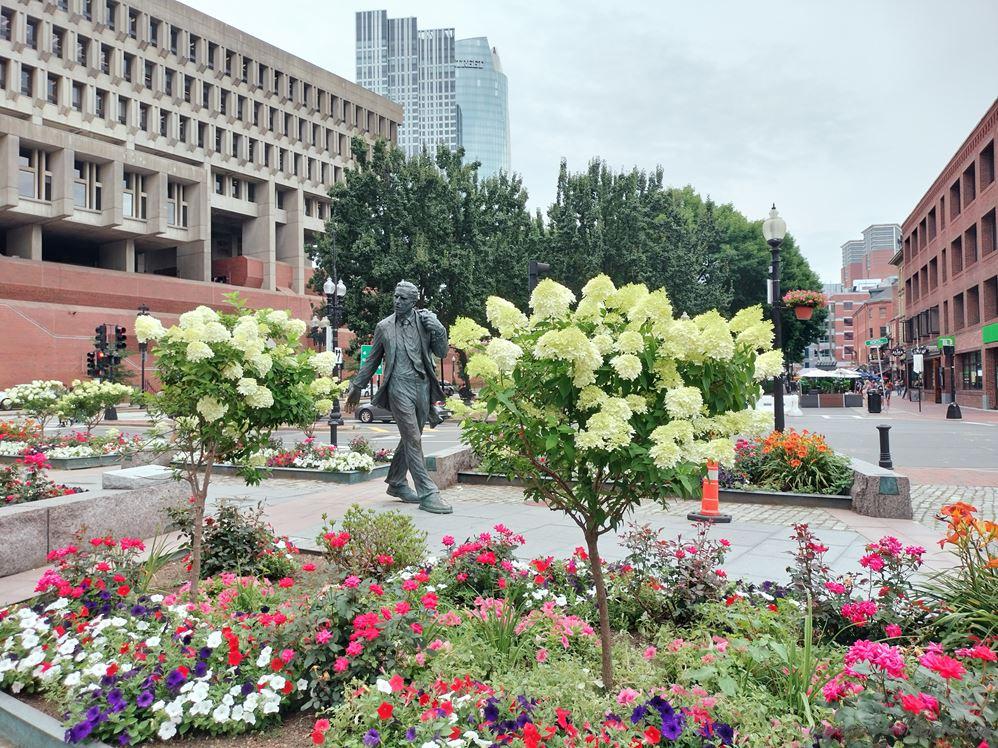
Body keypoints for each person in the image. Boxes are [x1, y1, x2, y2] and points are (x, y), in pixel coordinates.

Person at [344, 281, 453, 514]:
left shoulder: (425, 322)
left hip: (422, 386)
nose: (397, 301)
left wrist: (439, 330)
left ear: (413, 302)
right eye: (395, 296)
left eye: (403, 298)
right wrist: (357, 386)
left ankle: (396, 482)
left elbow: (442, 352)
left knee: (410, 436)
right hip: (398, 386)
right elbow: (372, 360)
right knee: (412, 436)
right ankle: (428, 493)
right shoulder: (384, 327)